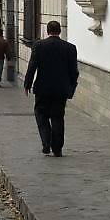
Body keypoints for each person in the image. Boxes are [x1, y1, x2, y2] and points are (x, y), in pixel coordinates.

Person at [23, 20, 79, 157]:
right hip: (61, 90)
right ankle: (57, 148)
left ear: (47, 31)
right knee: (58, 117)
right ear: (60, 31)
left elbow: (32, 66)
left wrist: (27, 84)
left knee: (41, 115)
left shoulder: (39, 46)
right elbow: (74, 72)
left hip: (42, 88)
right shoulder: (70, 48)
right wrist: (71, 88)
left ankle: (46, 143)